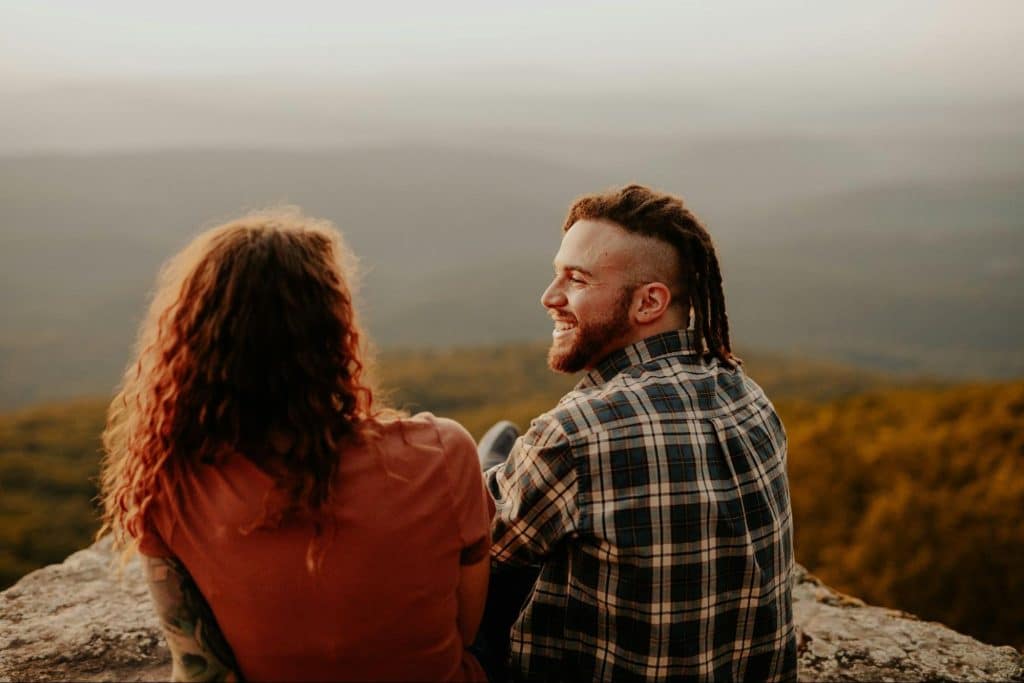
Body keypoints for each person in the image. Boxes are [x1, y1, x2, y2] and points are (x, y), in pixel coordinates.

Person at [98, 208, 493, 682]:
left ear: (194, 343)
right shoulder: (441, 451)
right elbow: (466, 628)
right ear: (333, 332)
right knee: (492, 454)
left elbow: (198, 670)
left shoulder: (169, 482)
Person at [482, 185, 797, 681]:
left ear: (649, 302)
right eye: (555, 272)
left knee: (487, 466)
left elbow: (471, 554)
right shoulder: (750, 396)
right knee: (506, 451)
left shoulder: (575, 433)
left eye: (577, 279)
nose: (549, 296)